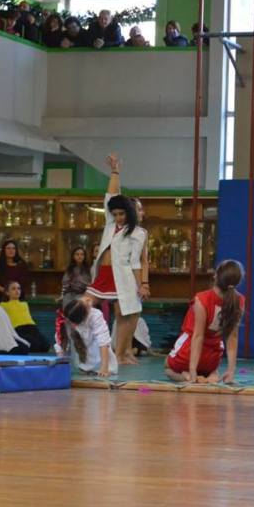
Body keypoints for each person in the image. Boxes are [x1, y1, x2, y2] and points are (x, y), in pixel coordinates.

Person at [84, 153, 147, 365]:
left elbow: (138, 263)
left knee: (125, 314)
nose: (119, 217)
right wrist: (115, 170)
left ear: (130, 213)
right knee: (83, 306)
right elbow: (111, 195)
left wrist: (142, 285)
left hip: (124, 277)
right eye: (116, 213)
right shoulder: (110, 224)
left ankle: (121, 354)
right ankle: (76, 346)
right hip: (103, 273)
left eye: (122, 213)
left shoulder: (139, 233)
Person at [165, 260, 245, 384]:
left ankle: (189, 377)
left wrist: (192, 370)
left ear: (215, 276)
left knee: (167, 367)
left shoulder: (202, 299)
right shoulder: (239, 301)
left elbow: (198, 336)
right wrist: (231, 371)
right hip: (213, 356)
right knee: (209, 361)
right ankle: (212, 374)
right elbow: (232, 337)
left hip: (188, 353)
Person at [58, 298, 117, 377]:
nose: (88, 299)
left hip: (98, 363)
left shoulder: (95, 315)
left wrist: (104, 368)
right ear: (85, 313)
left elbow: (103, 342)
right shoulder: (68, 322)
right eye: (85, 303)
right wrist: (59, 365)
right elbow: (61, 343)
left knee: (100, 340)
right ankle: (87, 366)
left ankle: (94, 367)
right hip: (82, 363)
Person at [0, 281, 51, 352]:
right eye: (13, 289)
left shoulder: (24, 304)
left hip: (32, 328)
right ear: (7, 293)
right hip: (19, 329)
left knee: (46, 346)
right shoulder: (3, 305)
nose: (17, 291)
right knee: (35, 346)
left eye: (18, 288)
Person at [0, 239, 29, 303]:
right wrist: (6, 291)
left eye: (13, 248)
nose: (11, 251)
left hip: (17, 298)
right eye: (8, 248)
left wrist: (13, 292)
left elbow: (24, 283)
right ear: (4, 250)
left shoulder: (22, 265)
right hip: (0, 298)